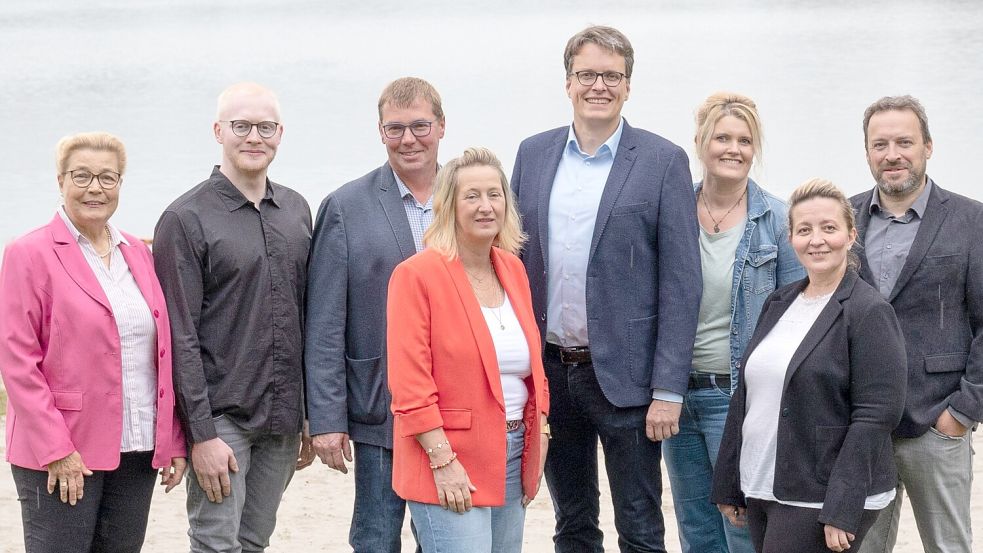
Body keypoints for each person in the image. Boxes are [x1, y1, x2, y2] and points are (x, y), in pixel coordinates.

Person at [510, 25, 702, 552]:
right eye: (588, 74)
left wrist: (668, 390)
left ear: (628, 85)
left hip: (628, 379)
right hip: (551, 370)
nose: (599, 86)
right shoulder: (533, 154)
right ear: (568, 82)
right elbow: (511, 258)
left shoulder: (663, 161)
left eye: (612, 76)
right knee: (572, 522)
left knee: (639, 526)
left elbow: (682, 284)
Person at [0, 132, 186, 553]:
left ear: (120, 184)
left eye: (107, 177)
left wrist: (171, 437)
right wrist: (56, 449)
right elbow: (17, 361)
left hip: (136, 446)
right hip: (64, 449)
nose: (95, 188)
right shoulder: (28, 253)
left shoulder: (137, 253)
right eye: (81, 176)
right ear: (60, 181)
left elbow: (158, 354)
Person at [153, 82, 315, 553]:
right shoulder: (185, 218)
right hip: (221, 419)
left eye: (265, 127)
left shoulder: (296, 210)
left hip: (283, 418)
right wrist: (201, 435)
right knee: (216, 543)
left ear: (280, 133)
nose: (254, 137)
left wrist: (310, 413)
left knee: (254, 542)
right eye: (241, 126)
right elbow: (179, 335)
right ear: (218, 131)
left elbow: (308, 316)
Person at [711, 178, 907, 553]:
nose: (816, 240)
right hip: (764, 484)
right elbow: (748, 395)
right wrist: (729, 481)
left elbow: (877, 414)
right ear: (791, 239)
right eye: (804, 230)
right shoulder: (780, 302)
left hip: (820, 494)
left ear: (851, 235)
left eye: (828, 228)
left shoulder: (869, 311)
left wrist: (843, 507)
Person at [305, 76, 444, 552]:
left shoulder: (469, 197)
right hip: (379, 404)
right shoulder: (345, 207)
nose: (409, 139)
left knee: (446, 536)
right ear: (380, 132)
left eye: (420, 126)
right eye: (395, 128)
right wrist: (326, 418)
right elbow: (324, 322)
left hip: (454, 404)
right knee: (376, 536)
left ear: (441, 126)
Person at [386, 147, 550, 552]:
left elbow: (533, 367)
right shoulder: (416, 276)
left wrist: (541, 432)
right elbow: (410, 385)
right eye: (471, 196)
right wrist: (443, 461)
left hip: (513, 453)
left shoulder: (512, 269)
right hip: (447, 457)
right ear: (448, 206)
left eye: (494, 195)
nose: (485, 206)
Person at [662, 93, 803, 553]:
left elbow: (796, 323)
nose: (734, 149)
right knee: (696, 530)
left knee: (742, 526)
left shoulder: (777, 221)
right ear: (700, 143)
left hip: (739, 398)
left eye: (745, 140)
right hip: (676, 397)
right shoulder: (671, 212)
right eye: (722, 138)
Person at [852, 96, 983, 553]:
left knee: (948, 547)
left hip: (937, 421)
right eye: (880, 144)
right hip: (862, 426)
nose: (892, 155)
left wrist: (963, 411)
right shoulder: (843, 219)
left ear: (928, 146)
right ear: (867, 152)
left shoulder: (972, 220)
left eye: (904, 142)